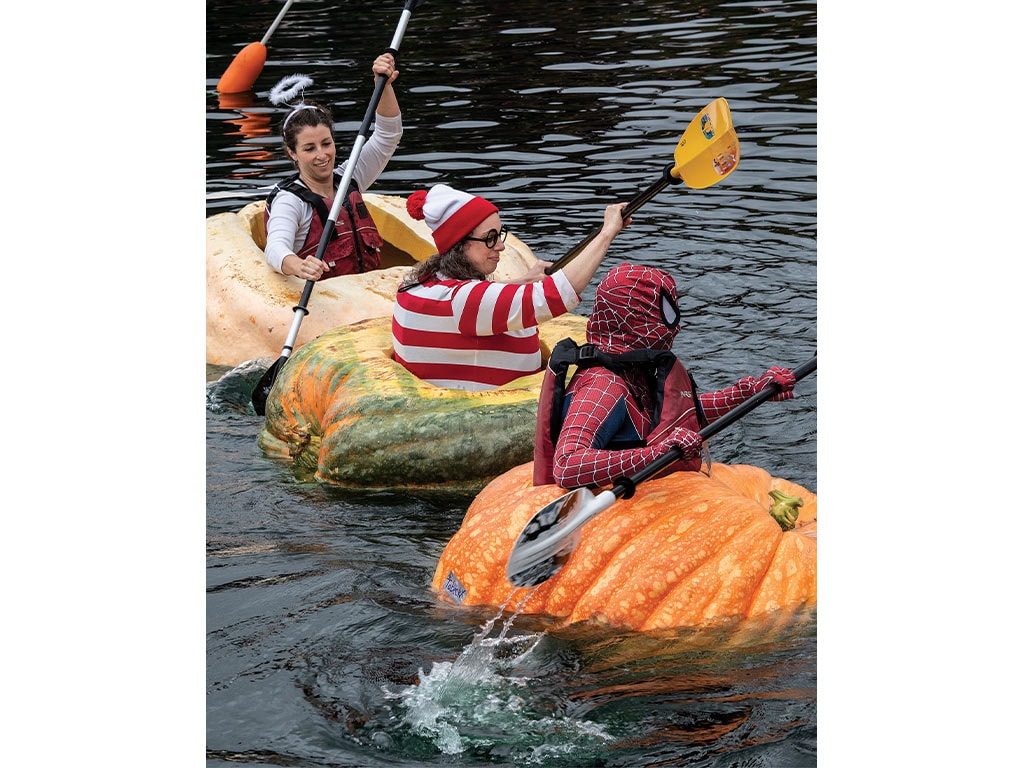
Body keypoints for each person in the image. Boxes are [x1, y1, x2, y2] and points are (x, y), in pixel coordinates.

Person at [533, 263, 798, 488]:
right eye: (666, 315)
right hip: (612, 516)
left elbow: (681, 414)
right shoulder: (603, 385)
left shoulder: (635, 372)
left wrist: (751, 392)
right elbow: (567, 465)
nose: (677, 326)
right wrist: (657, 454)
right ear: (636, 319)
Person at [391, 184, 633, 391]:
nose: (500, 247)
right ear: (459, 244)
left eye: (500, 235)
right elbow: (558, 294)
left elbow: (470, 303)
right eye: (490, 238)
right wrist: (607, 233)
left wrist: (524, 280)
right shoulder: (465, 302)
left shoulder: (416, 286)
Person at [263, 53, 402, 281]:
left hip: (369, 295)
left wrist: (383, 85)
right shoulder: (290, 201)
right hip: (328, 305)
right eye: (309, 148)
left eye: (326, 144)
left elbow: (388, 135)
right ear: (292, 153)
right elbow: (276, 248)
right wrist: (299, 266)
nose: (322, 155)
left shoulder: (349, 178)